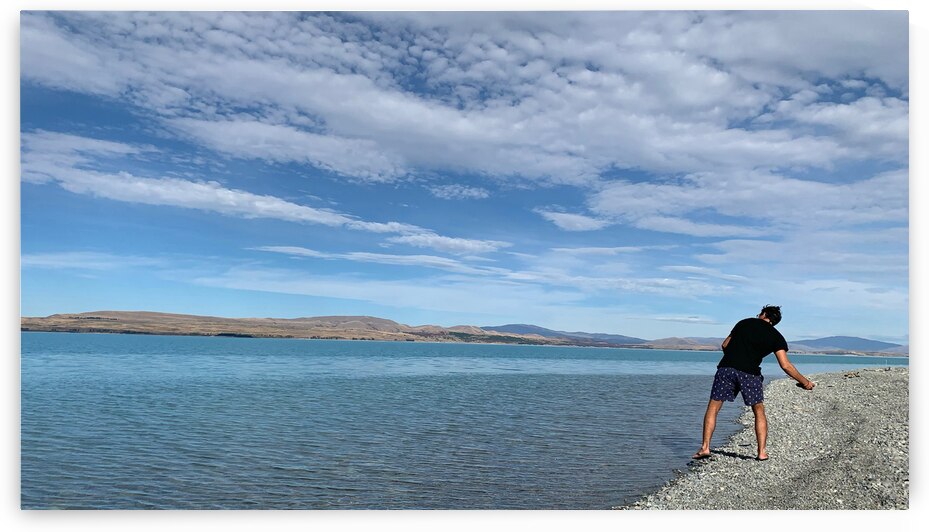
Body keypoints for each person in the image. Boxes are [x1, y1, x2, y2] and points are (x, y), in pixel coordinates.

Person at [692, 305, 815, 462]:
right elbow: (785, 365)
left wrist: (735, 357)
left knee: (713, 408)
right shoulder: (776, 337)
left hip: (727, 368)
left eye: (759, 313)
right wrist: (805, 382)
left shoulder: (744, 323)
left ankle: (705, 447)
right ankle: (761, 452)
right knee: (758, 411)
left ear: (764, 314)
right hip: (750, 374)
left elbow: (725, 345)